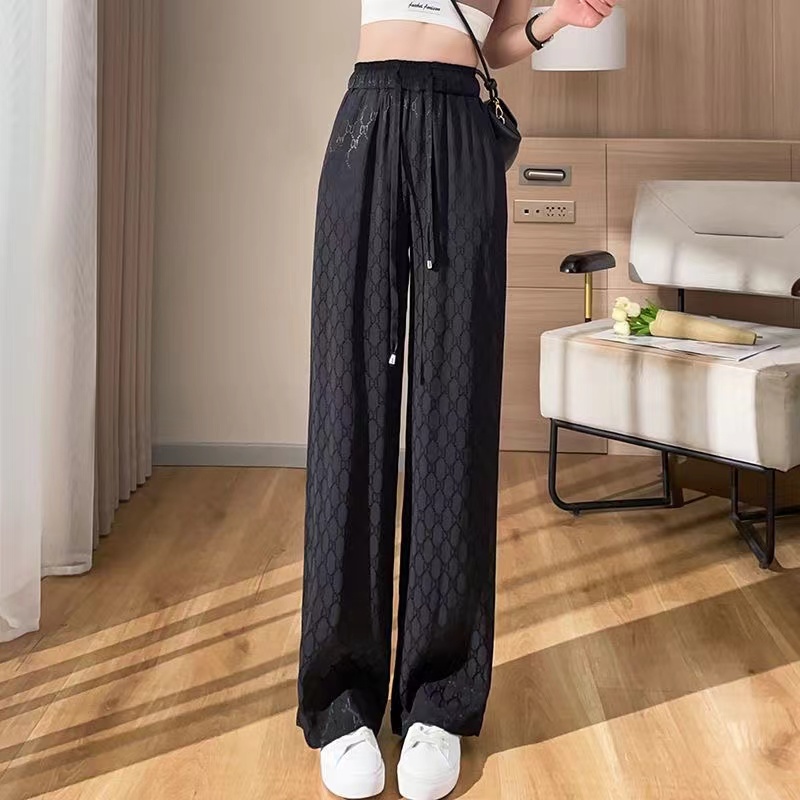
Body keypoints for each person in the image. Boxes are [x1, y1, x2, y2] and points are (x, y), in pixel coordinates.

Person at [297, 1, 618, 798]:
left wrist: (551, 22)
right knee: (347, 400)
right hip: (368, 118)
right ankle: (341, 702)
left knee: (457, 401)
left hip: (459, 128)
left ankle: (438, 698)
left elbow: (491, 42)